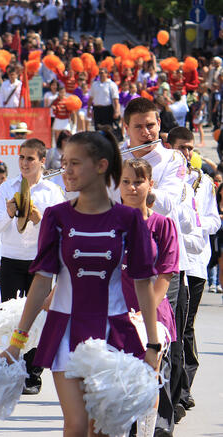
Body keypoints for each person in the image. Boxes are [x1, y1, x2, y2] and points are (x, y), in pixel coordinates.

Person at [1, 130, 160, 436]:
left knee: (102, 427)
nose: (66, 171)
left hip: (114, 331)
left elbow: (143, 283)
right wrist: (16, 343)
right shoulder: (55, 217)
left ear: (101, 165)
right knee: (75, 426)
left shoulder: (128, 220)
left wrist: (152, 345)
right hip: (65, 331)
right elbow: (41, 282)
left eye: (75, 163)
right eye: (64, 162)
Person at [120, 97, 192, 435]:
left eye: (152, 125)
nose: (147, 131)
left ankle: (161, 422)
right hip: (118, 264)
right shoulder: (113, 155)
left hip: (161, 258)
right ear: (126, 128)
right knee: (121, 345)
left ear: (160, 124)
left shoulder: (172, 159)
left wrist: (137, 182)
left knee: (161, 343)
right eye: (139, 127)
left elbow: (165, 202)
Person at [0, 138, 65, 394]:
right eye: (21, 157)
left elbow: (60, 229)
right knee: (10, 315)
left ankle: (33, 373)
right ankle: (14, 368)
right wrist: (10, 212)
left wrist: (39, 219)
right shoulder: (6, 189)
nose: (24, 163)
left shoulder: (52, 192)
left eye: (30, 158)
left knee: (39, 316)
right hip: (11, 258)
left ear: (42, 161)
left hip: (40, 261)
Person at [119, 157, 179, 436]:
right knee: (119, 388)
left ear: (150, 184)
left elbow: (165, 276)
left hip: (152, 317)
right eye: (126, 182)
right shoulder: (108, 224)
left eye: (138, 181)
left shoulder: (163, 225)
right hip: (117, 316)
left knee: (146, 383)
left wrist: (144, 315)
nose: (132, 188)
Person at [165, 127, 221, 415]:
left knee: (185, 329)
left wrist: (194, 228)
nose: (187, 154)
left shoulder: (204, 183)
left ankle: (183, 388)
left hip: (195, 264)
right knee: (170, 329)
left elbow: (213, 222)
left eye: (190, 149)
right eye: (182, 148)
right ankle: (175, 389)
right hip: (169, 264)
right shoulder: (162, 177)